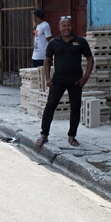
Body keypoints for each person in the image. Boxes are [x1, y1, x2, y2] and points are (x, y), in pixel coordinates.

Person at [36, 16, 93, 147]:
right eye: (64, 25)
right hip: (58, 79)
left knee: (75, 108)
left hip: (76, 80)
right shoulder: (54, 42)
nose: (66, 28)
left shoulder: (80, 42)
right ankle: (44, 134)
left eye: (68, 25)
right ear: (59, 27)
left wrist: (85, 77)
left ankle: (72, 136)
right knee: (50, 106)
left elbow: (90, 58)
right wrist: (48, 78)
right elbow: (47, 60)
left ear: (72, 26)